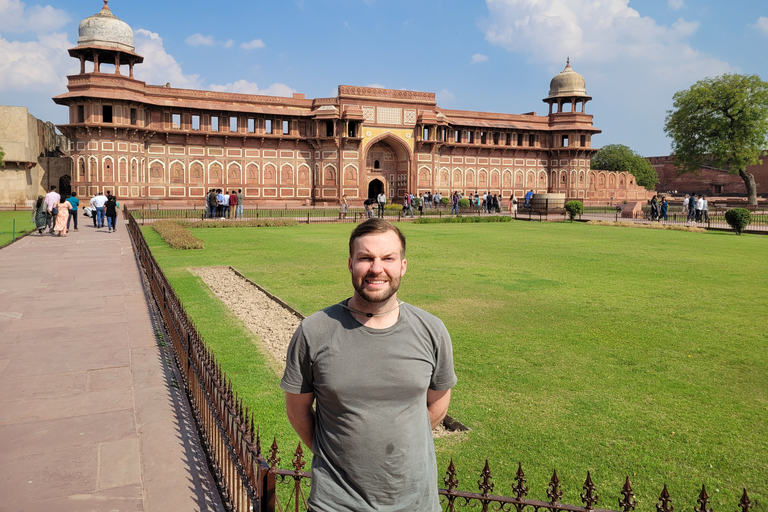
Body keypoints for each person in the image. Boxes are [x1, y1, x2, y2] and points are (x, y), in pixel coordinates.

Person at [282, 218, 457, 512]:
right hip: (336, 504)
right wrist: (339, 456)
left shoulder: (431, 330)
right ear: (351, 264)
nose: (377, 268)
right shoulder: (314, 332)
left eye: (388, 258)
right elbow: (297, 411)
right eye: (366, 258)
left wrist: (402, 444)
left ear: (402, 266)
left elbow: (438, 405)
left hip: (415, 503)